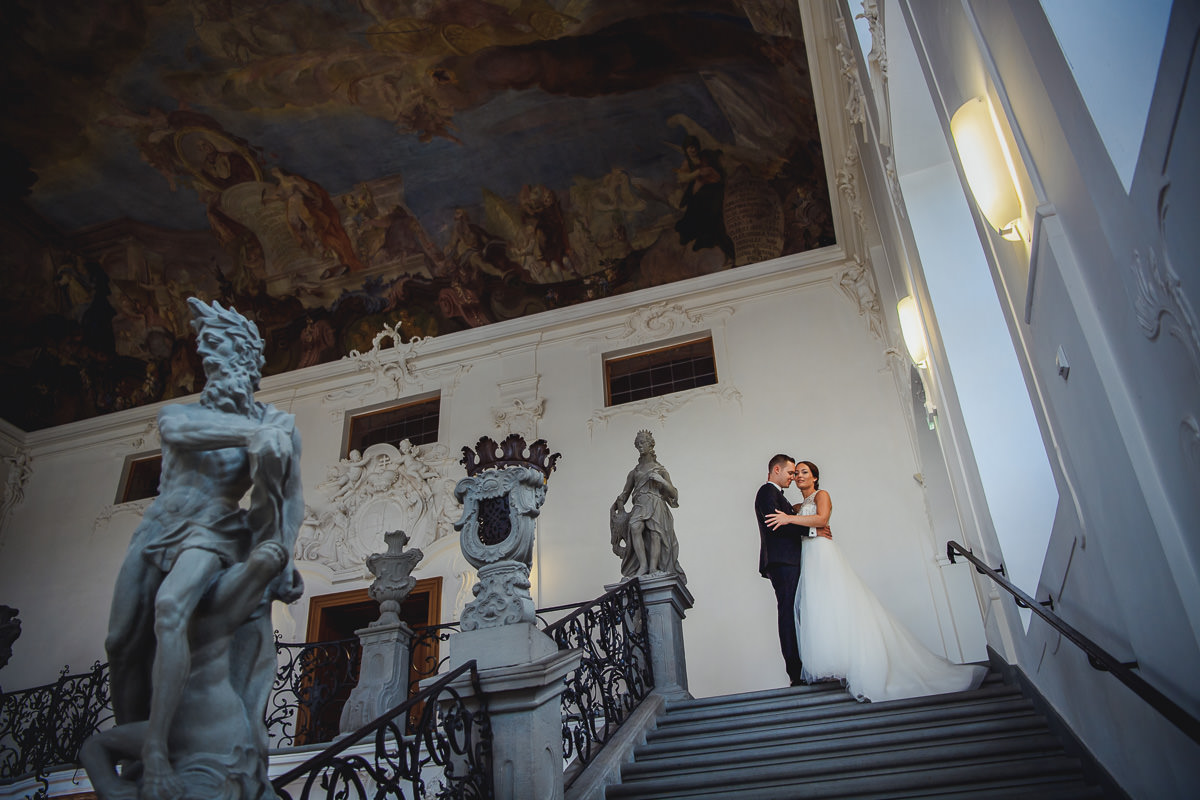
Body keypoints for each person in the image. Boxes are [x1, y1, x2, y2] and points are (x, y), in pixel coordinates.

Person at [103, 298, 304, 799]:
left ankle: (156, 748)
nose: (212, 359)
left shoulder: (278, 425)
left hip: (212, 529)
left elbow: (290, 501)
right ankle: (139, 755)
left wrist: (283, 553)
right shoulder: (185, 413)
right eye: (207, 350)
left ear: (248, 358)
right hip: (158, 526)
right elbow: (178, 432)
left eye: (222, 348)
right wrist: (263, 432)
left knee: (172, 611)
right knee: (121, 644)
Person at [82, 541, 290, 800]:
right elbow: (95, 747)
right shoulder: (175, 731)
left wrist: (112, 787)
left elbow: (95, 747)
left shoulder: (176, 731)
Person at [766, 461, 987, 702]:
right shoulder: (797, 506)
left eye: (804, 472)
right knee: (819, 609)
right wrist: (791, 518)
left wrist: (790, 520)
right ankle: (832, 664)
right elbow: (796, 526)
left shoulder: (822, 495)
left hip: (823, 554)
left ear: (815, 478)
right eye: (796, 473)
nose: (799, 476)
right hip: (807, 559)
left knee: (838, 601)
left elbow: (822, 519)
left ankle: (861, 661)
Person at [755, 453, 811, 686]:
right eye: (790, 473)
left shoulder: (776, 495)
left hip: (786, 560)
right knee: (788, 613)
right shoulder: (767, 492)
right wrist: (811, 531)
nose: (793, 477)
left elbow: (786, 520)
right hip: (783, 561)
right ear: (776, 470)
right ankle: (795, 673)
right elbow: (776, 524)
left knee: (794, 612)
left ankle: (802, 666)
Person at [611, 430, 684, 580]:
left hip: (656, 502)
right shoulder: (634, 472)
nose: (639, 446)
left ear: (651, 445)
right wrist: (619, 502)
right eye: (637, 444)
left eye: (642, 443)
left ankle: (652, 568)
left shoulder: (660, 470)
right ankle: (643, 565)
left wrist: (661, 480)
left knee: (654, 534)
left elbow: (674, 493)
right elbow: (626, 492)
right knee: (634, 527)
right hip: (640, 504)